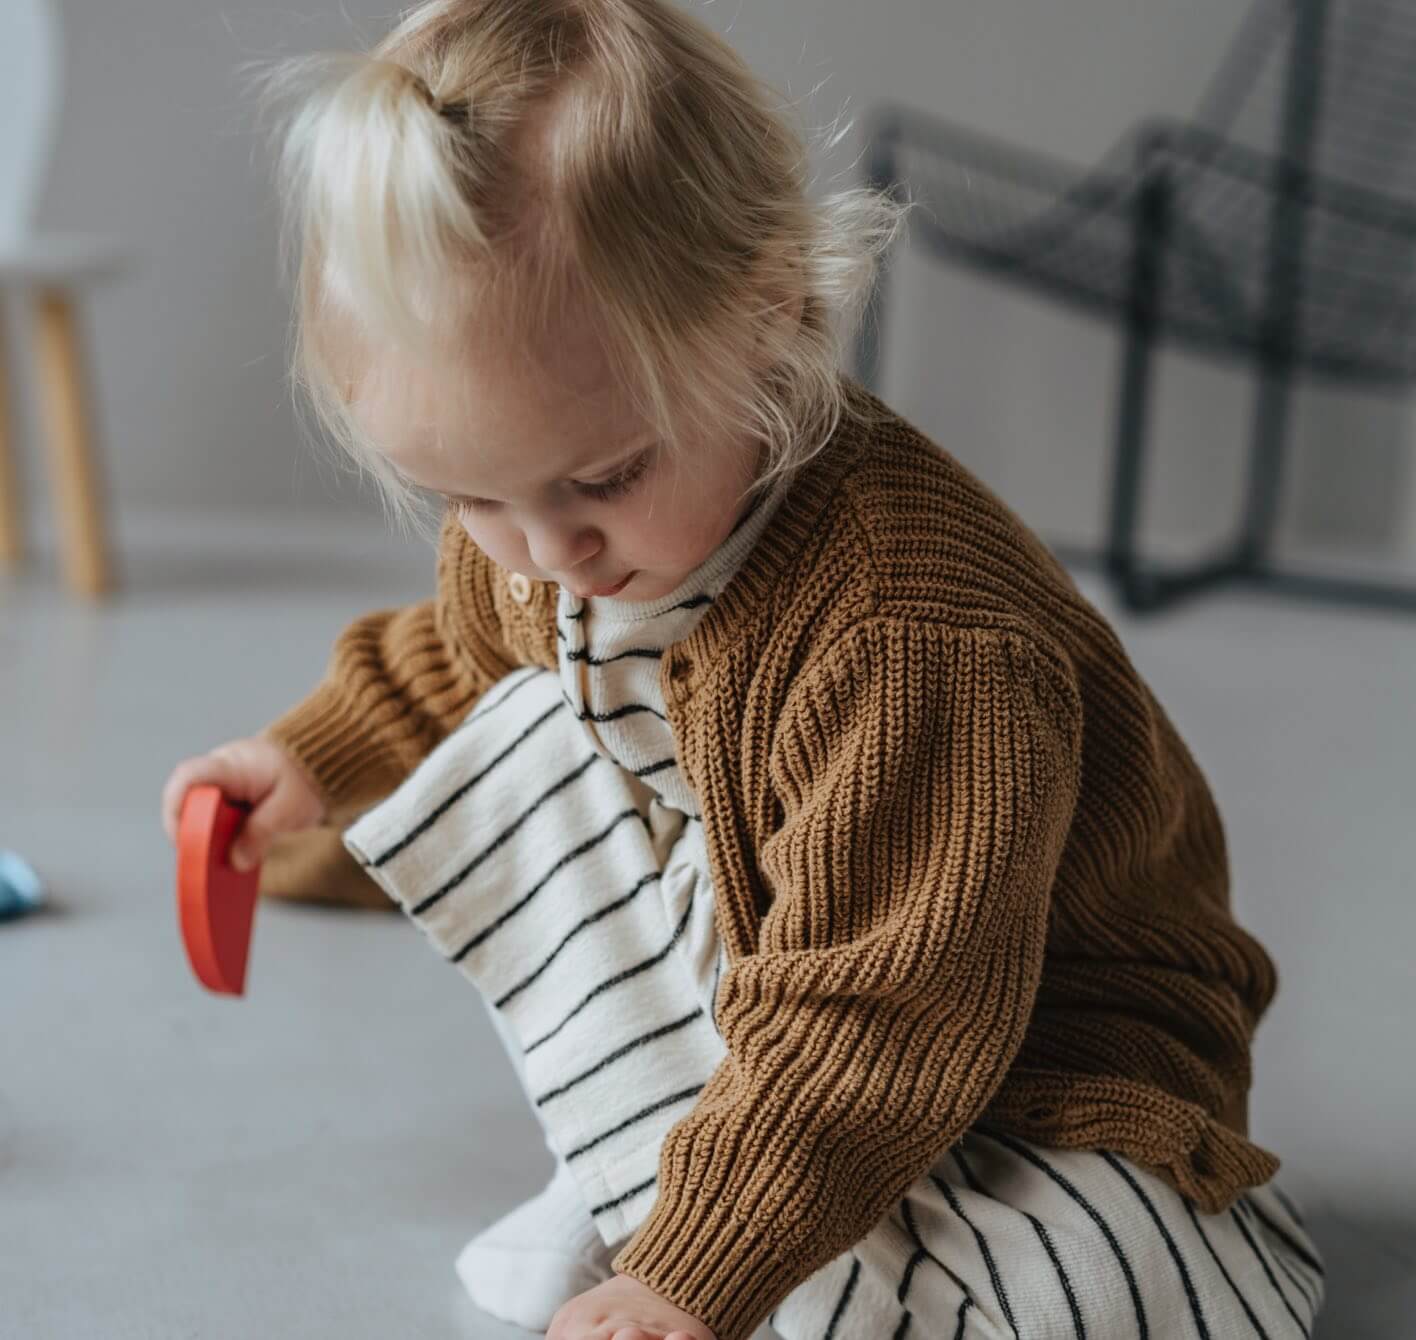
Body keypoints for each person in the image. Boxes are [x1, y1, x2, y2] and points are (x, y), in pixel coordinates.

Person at [161, 2, 1326, 1337]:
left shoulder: (908, 641)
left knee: (1105, 1290)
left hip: (1034, 1062)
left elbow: (881, 1012)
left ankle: (715, 1223)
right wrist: (304, 760)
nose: (546, 549)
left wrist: (690, 1279)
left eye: (606, 476)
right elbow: (456, 649)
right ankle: (657, 1177)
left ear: (770, 316)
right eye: (467, 496)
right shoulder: (552, 539)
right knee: (533, 723)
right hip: (799, 967)